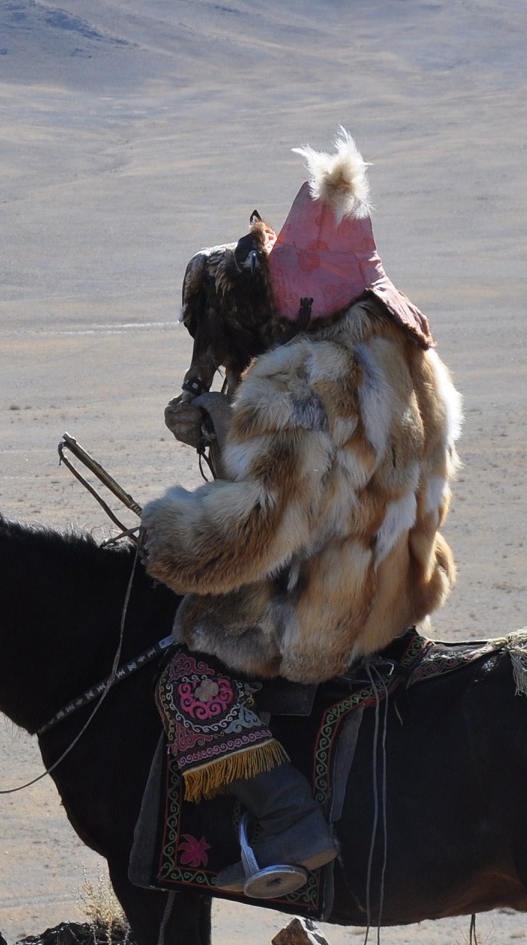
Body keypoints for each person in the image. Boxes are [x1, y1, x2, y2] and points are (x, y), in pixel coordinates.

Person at [141, 130, 463, 898]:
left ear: (303, 293)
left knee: (185, 673)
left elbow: (251, 533)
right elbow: (341, 489)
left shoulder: (306, 376)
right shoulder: (410, 354)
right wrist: (228, 428)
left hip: (327, 617)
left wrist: (164, 535)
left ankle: (290, 822)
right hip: (399, 593)